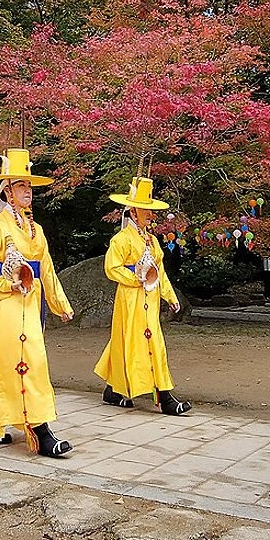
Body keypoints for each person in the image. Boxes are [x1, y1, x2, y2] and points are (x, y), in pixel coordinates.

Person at [0, 148, 75, 457]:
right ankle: (40, 431)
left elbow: (48, 270)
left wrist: (60, 304)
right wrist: (4, 283)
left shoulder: (36, 229)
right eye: (20, 186)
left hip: (32, 303)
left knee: (26, 361)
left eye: (29, 187)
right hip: (5, 304)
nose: (27, 192)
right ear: (7, 191)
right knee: (19, 364)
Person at [95, 174, 190, 415]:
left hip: (150, 298)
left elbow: (160, 272)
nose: (149, 215)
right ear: (133, 211)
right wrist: (135, 279)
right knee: (130, 342)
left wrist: (170, 296)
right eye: (144, 210)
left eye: (150, 210)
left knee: (153, 342)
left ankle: (145, 391)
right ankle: (140, 392)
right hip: (130, 299)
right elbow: (111, 268)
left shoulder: (153, 241)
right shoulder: (121, 239)